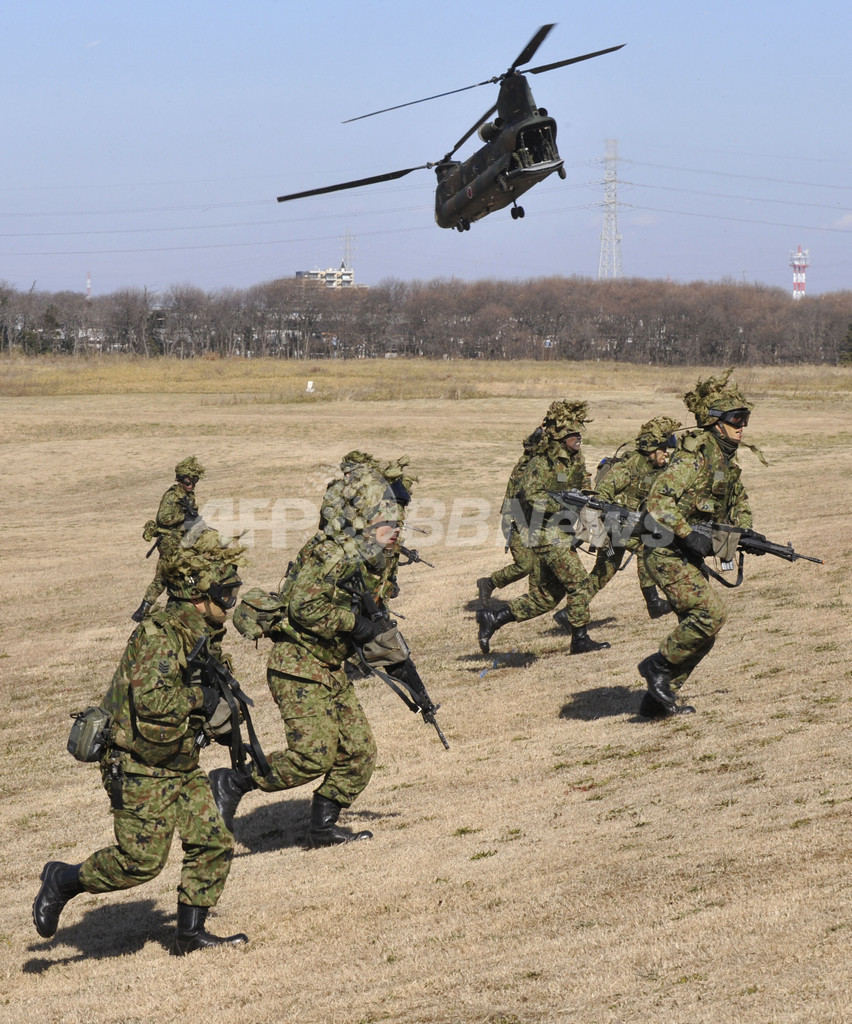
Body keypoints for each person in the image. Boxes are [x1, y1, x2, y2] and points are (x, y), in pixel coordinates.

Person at [33, 530, 250, 955]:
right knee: (141, 864)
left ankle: (189, 936)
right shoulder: (160, 636)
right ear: (196, 596)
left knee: (213, 842)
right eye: (225, 594)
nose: (232, 603)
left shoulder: (201, 634)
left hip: (178, 760)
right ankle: (62, 879)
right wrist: (200, 699)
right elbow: (151, 701)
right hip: (137, 766)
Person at [210, 478, 406, 847]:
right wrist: (354, 624)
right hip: (298, 666)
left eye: (397, 525)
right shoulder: (333, 555)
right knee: (313, 756)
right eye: (387, 524)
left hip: (329, 669)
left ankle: (321, 828)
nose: (394, 531)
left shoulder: (367, 557)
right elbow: (303, 607)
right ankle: (233, 783)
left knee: (359, 753)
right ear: (365, 523)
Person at [637, 371, 761, 717]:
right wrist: (687, 532)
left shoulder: (725, 462)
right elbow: (658, 500)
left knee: (703, 631)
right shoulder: (695, 457)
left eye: (745, 419)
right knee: (711, 614)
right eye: (736, 419)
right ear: (716, 424)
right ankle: (657, 667)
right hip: (664, 551)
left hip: (687, 555)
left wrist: (744, 537)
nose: (742, 427)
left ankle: (656, 701)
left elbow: (738, 505)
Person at [476, 400, 611, 656]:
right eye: (573, 435)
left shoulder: (575, 458)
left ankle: (493, 619)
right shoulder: (543, 461)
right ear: (561, 438)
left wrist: (588, 499)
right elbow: (531, 494)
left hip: (561, 531)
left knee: (548, 596)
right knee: (580, 584)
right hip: (545, 534)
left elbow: (583, 481)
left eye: (579, 433)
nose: (578, 438)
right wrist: (562, 506)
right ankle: (579, 639)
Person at [583, 416, 682, 620]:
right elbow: (603, 492)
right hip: (618, 524)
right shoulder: (629, 466)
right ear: (650, 450)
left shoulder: (659, 467)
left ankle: (572, 608)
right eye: (663, 449)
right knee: (647, 549)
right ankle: (653, 602)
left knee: (606, 569)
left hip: (632, 524)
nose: (666, 453)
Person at [131, 456, 206, 622]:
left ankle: (148, 609)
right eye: (188, 480)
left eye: (195, 480)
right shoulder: (172, 496)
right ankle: (146, 608)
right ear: (180, 479)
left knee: (171, 574)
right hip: (169, 541)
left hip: (182, 539)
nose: (191, 484)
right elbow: (162, 519)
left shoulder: (188, 495)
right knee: (173, 572)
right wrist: (184, 516)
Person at [476, 426, 543, 606]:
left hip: (536, 521)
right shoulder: (527, 464)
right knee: (525, 564)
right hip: (516, 520)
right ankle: (488, 583)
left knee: (541, 564)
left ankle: (535, 602)